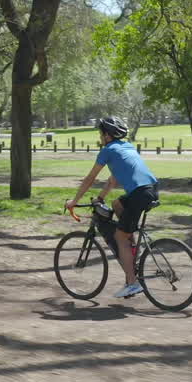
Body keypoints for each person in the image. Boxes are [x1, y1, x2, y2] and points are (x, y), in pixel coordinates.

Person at [64, 116, 159, 299]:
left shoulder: (107, 150)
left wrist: (74, 201)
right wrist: (100, 198)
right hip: (152, 190)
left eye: (101, 133)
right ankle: (131, 242)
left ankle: (132, 283)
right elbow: (113, 180)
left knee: (119, 236)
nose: (100, 136)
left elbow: (90, 178)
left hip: (139, 194)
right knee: (116, 204)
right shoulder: (127, 147)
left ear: (107, 135)